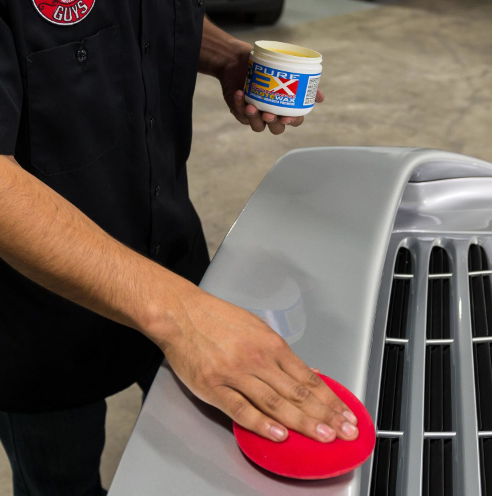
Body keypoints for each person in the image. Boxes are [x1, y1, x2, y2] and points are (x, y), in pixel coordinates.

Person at [0, 1, 358, 494]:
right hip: (40, 315)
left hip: (171, 256)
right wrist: (184, 317)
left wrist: (225, 55)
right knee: (59, 481)